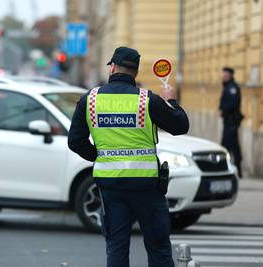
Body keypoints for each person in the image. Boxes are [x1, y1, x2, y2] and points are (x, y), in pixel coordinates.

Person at [68, 46, 189, 267]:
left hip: (111, 185)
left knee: (117, 247)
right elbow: (180, 126)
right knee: (158, 247)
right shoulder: (147, 100)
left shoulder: (91, 100)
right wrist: (171, 101)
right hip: (147, 186)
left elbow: (75, 141)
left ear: (112, 67)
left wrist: (100, 155)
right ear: (135, 72)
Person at [219, 67, 243, 178]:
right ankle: (226, 167)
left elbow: (233, 104)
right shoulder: (228, 87)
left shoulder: (232, 87)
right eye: (222, 75)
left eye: (224, 75)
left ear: (229, 75)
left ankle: (236, 169)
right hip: (228, 121)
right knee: (228, 145)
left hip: (231, 122)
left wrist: (223, 109)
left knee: (231, 146)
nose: (222, 77)